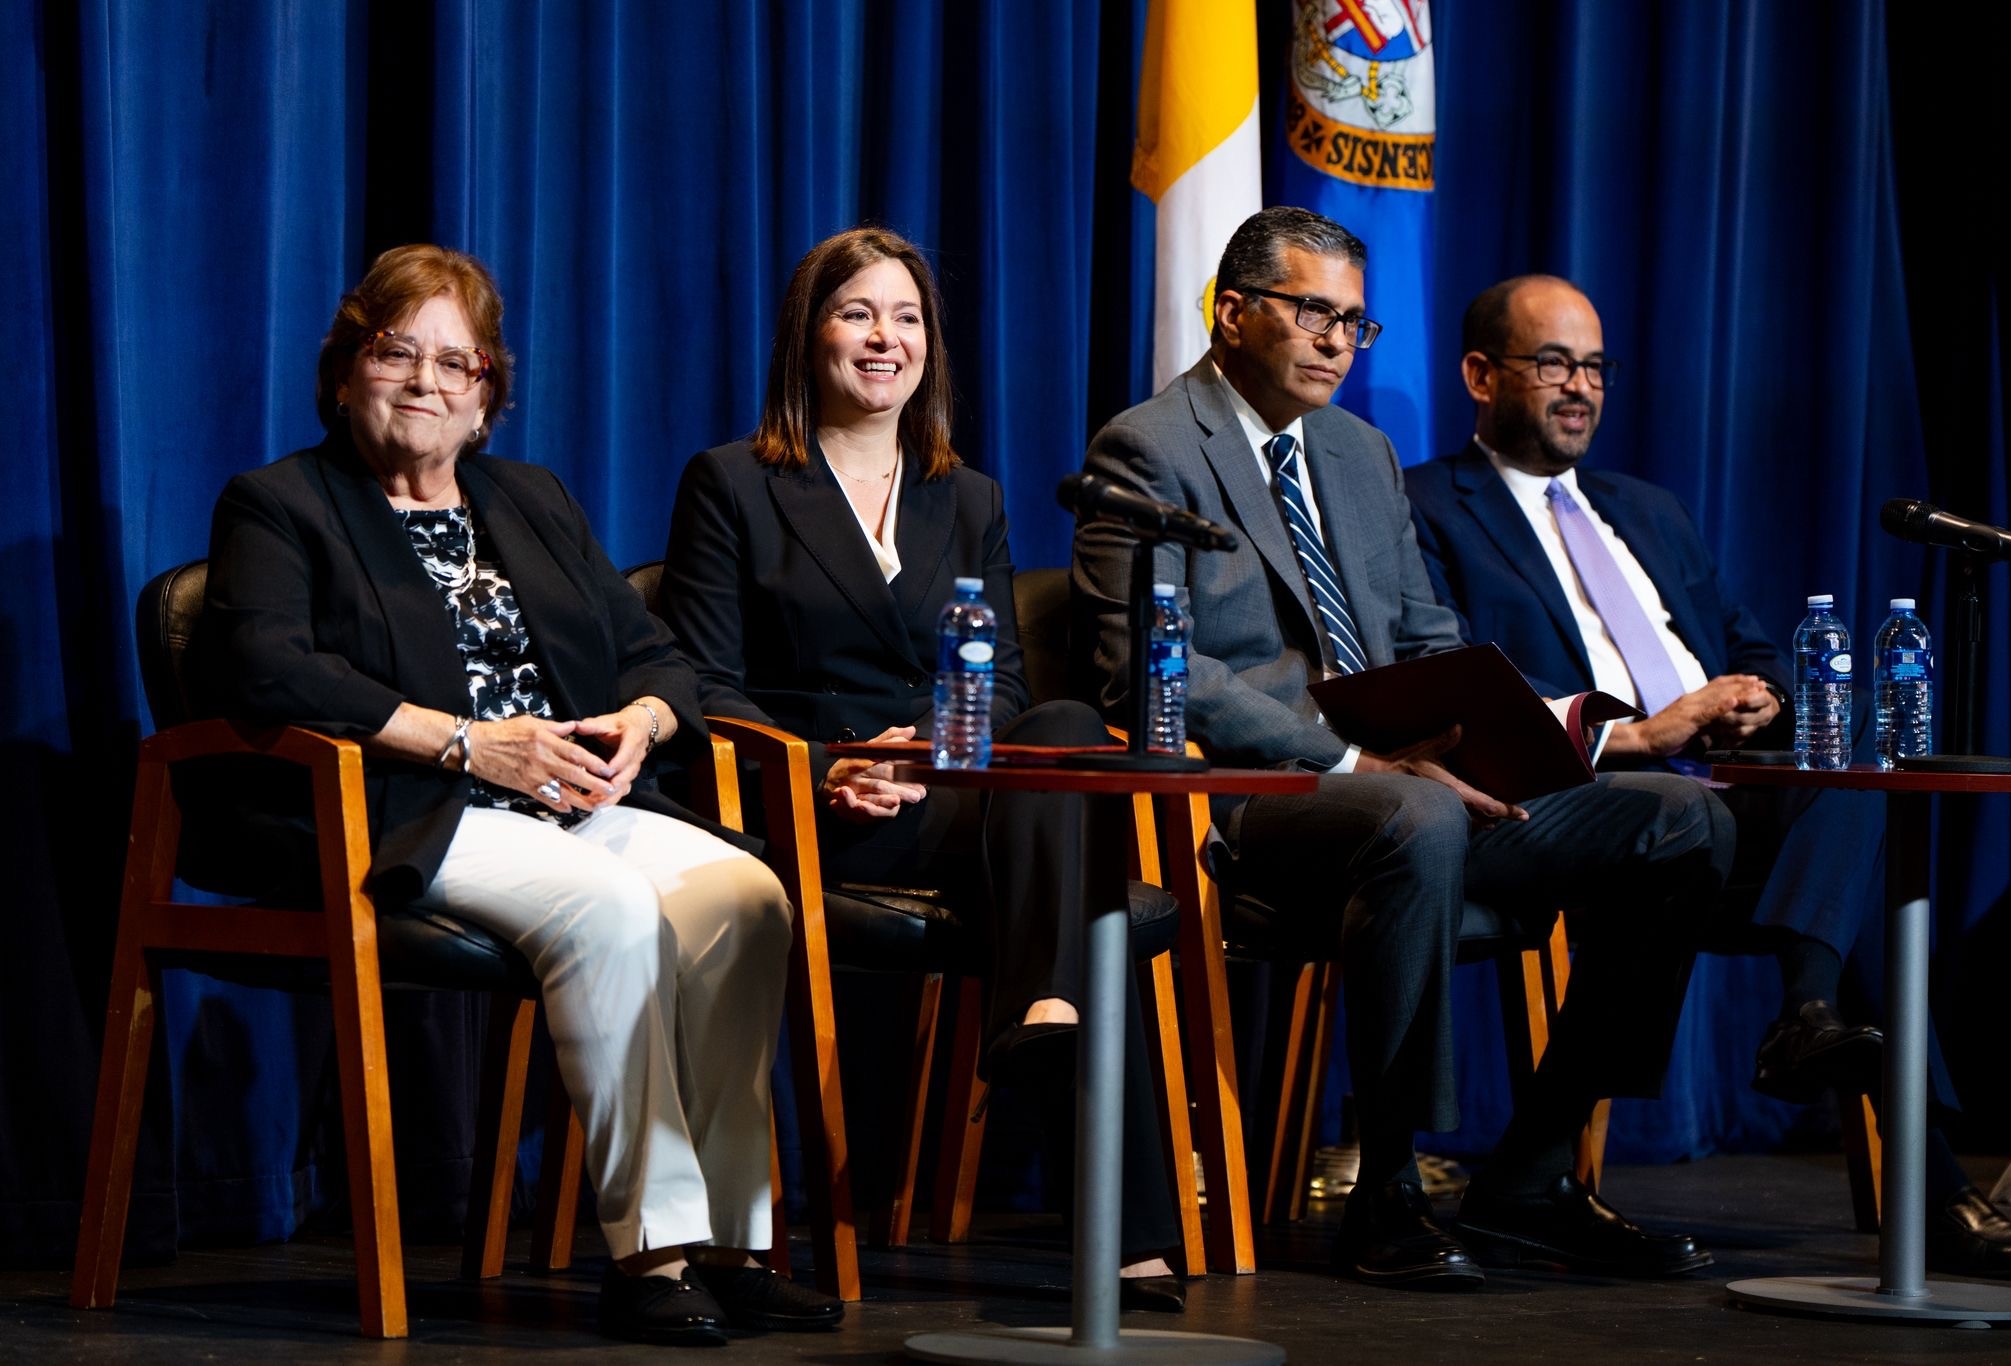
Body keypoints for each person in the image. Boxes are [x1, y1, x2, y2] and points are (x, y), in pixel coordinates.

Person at [1073, 206, 1735, 1290]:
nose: (1338, 341)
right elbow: (1152, 670)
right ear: (1231, 313)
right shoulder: (1149, 447)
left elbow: (1425, 636)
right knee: (1415, 812)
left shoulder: (1357, 450)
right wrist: (1349, 764)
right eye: (1312, 313)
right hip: (1259, 797)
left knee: (1680, 818)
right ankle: (1387, 1183)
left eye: (1353, 322)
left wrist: (1520, 735)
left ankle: (1533, 1170)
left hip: (1412, 780)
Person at [199, 244, 845, 1344]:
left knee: (745, 898)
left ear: (487, 393)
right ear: (345, 371)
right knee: (609, 908)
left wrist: (643, 724)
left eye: (456, 363)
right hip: (414, 810)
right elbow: (267, 667)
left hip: (578, 800)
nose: (425, 381)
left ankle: (734, 1245)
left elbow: (654, 656)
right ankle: (652, 1254)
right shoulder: (280, 503)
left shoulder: (531, 499)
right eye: (395, 352)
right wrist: (465, 745)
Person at [1405, 273, 2011, 1280]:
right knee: (1823, 861)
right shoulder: (1426, 505)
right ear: (1481, 375)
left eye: (1595, 368)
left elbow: (1750, 645)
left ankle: (1807, 1021)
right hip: (1571, 796)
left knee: (1857, 753)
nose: (1580, 388)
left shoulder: (1645, 509)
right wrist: (1640, 732)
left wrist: (1758, 698)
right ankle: (1920, 1175)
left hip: (1716, 791)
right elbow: (1451, 674)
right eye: (1553, 363)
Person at [660, 227, 1186, 1309]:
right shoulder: (734, 483)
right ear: (808, 336)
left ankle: (1042, 1017)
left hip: (948, 795)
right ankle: (1124, 1225)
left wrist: (931, 757)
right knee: (1085, 889)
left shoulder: (970, 496)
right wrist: (832, 768)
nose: (883, 338)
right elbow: (704, 682)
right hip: (814, 805)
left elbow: (1002, 686)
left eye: (905, 317)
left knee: (1066, 728)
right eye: (856, 313)